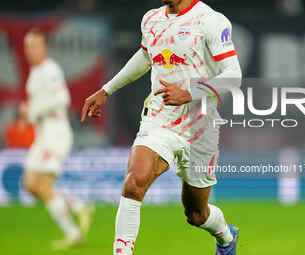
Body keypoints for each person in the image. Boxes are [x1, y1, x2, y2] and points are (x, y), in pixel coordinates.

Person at [81, 0, 242, 254]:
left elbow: (233, 75)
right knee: (134, 183)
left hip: (200, 126)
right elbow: (146, 56)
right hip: (159, 118)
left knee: (196, 214)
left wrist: (189, 92)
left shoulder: (211, 21)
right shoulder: (151, 19)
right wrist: (106, 89)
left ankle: (225, 236)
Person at [22, 28, 93, 250]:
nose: (30, 51)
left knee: (43, 185)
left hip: (55, 133)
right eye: (27, 47)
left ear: (44, 48)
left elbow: (62, 98)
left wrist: (32, 110)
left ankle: (73, 233)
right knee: (30, 185)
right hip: (42, 134)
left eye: (35, 46)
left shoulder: (50, 70)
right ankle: (78, 205)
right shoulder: (35, 73)